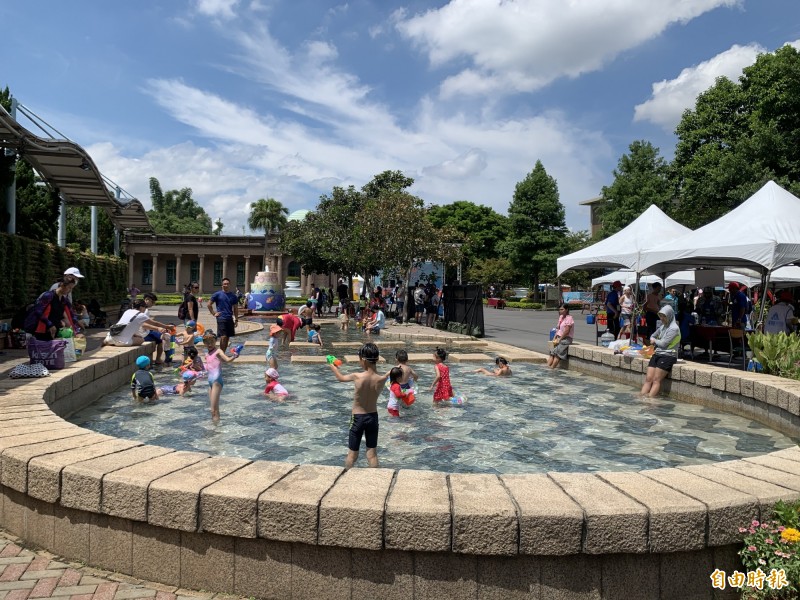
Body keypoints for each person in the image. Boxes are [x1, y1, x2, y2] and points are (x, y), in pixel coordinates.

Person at [328, 342, 389, 468]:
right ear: (377, 359)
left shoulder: (357, 376)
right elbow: (391, 374)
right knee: (372, 454)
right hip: (373, 417)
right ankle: (376, 477)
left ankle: (345, 476)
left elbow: (340, 378)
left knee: (352, 454)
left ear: (364, 360)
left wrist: (333, 368)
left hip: (358, 418)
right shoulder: (381, 378)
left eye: (360, 359)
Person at [641, 305, 681, 398]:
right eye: (661, 316)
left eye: (664, 316)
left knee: (656, 380)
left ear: (670, 316)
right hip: (657, 354)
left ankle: (650, 399)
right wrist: (654, 339)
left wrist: (655, 341)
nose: (662, 318)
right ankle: (641, 396)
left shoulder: (674, 328)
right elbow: (652, 335)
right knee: (648, 379)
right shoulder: (663, 326)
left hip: (668, 355)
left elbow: (663, 344)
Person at [27, 276, 81, 341]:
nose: (70, 291)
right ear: (62, 285)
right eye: (69, 288)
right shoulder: (48, 296)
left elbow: (71, 315)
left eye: (72, 288)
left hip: (56, 330)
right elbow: (38, 311)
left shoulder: (64, 300)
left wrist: (75, 330)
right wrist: (50, 324)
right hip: (44, 330)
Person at [203, 330, 238, 421]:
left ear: (215, 341)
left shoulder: (218, 351)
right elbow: (207, 368)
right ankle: (216, 427)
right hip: (210, 382)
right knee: (213, 410)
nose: (209, 344)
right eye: (207, 342)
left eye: (211, 342)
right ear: (204, 343)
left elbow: (227, 360)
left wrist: (234, 356)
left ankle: (216, 432)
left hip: (216, 382)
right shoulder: (206, 354)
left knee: (213, 410)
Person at [141, 293, 175, 364]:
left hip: (142, 332)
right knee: (162, 338)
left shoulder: (141, 308)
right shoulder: (144, 310)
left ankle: (162, 358)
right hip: (143, 334)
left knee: (161, 335)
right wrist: (160, 328)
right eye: (152, 302)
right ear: (147, 300)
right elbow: (146, 324)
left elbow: (152, 323)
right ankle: (160, 359)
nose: (153, 304)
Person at [208, 278, 239, 353]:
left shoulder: (233, 296)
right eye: (224, 283)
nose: (226, 285)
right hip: (221, 318)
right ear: (222, 285)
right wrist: (213, 313)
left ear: (229, 285)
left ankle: (223, 353)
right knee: (223, 336)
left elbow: (235, 308)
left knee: (227, 337)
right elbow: (209, 304)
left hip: (229, 318)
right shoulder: (217, 294)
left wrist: (236, 319)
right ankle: (221, 354)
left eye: (227, 283)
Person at [547, 303, 575, 369]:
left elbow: (566, 331)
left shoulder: (569, 319)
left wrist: (560, 340)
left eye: (562, 309)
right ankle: (547, 368)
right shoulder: (561, 317)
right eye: (559, 309)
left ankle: (552, 369)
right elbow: (558, 329)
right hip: (559, 337)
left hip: (566, 339)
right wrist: (554, 338)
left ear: (567, 309)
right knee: (552, 352)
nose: (560, 311)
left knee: (557, 354)